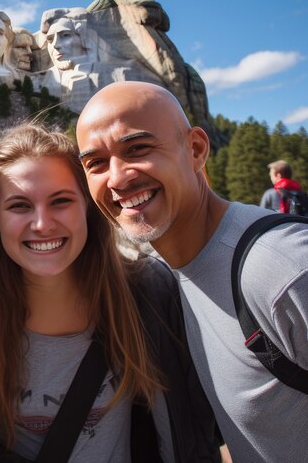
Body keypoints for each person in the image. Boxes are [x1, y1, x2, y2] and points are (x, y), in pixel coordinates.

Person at [0, 124, 219, 462]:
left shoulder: (148, 295)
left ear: (88, 209)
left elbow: (197, 430)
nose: (42, 224)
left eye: (61, 201)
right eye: (19, 206)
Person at [76, 80, 308, 462]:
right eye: (96, 163)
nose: (116, 179)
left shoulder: (282, 270)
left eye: (137, 148)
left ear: (196, 149)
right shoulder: (171, 275)